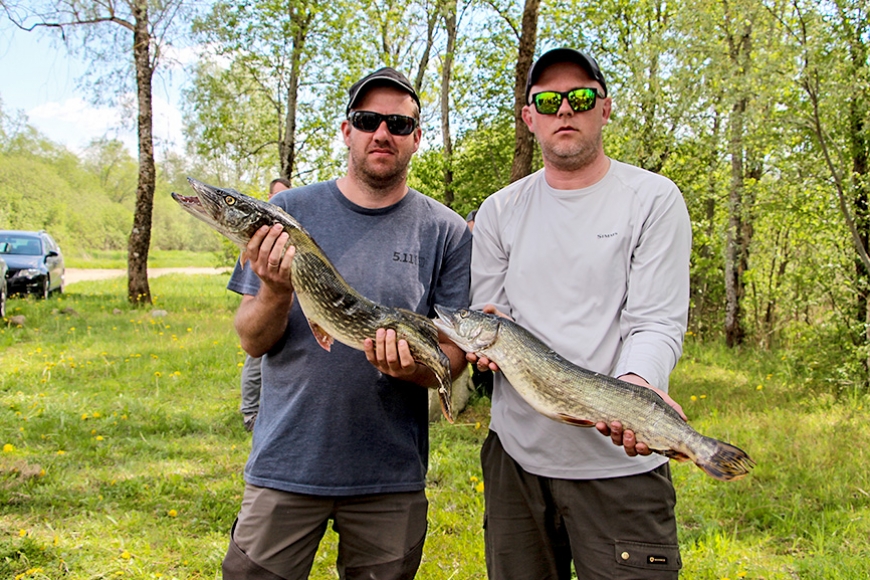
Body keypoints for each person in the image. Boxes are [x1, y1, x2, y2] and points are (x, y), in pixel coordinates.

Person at [221, 67, 472, 580]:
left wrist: (414, 370)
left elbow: (453, 357)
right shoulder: (287, 211)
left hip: (390, 476)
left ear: (416, 138)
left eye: (399, 125)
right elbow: (251, 339)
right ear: (347, 130)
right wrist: (275, 288)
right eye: (367, 119)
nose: (382, 133)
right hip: (286, 463)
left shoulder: (446, 230)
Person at [468, 48, 691, 579]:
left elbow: (656, 320)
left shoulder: (653, 199)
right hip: (515, 463)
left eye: (581, 97)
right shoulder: (500, 210)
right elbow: (491, 312)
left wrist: (636, 389)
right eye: (547, 100)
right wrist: (483, 349)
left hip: (621, 468)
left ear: (605, 107)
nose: (564, 109)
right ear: (529, 118)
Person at [240, 177, 293, 432]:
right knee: (254, 361)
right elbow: (251, 341)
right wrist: (274, 291)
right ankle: (250, 411)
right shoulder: (264, 238)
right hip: (282, 445)